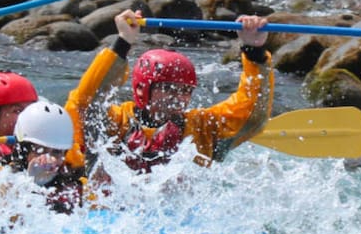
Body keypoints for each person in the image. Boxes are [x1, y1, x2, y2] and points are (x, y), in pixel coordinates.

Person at [70, 9, 273, 172]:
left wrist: (254, 51)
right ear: (142, 89)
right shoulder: (114, 123)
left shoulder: (202, 128)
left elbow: (252, 115)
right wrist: (123, 41)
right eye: (168, 88)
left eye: (186, 90)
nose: (178, 97)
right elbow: (84, 102)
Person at [0, 99, 87, 214]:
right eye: (39, 151)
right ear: (23, 151)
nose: (49, 159)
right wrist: (31, 184)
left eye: (57, 152)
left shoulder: (76, 187)